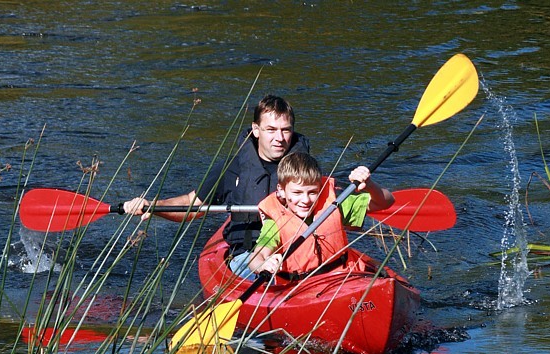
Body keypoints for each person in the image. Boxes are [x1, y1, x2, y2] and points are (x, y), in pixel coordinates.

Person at [122, 95, 310, 274]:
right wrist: (155, 206)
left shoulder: (305, 169)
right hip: (246, 256)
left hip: (296, 251)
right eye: (271, 130)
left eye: (285, 130)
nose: (279, 138)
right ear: (256, 129)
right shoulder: (231, 168)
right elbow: (193, 203)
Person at [242, 152, 394, 280]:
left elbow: (386, 201)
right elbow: (256, 257)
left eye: (312, 192)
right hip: (300, 287)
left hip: (343, 277)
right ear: (281, 190)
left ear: (320, 189)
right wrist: (264, 265)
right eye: (297, 193)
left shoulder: (334, 205)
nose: (305, 200)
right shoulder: (276, 221)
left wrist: (370, 185)